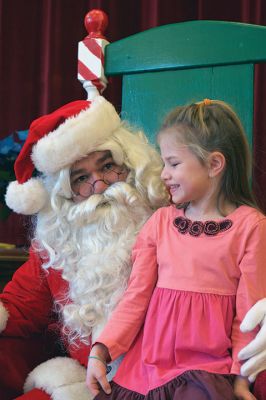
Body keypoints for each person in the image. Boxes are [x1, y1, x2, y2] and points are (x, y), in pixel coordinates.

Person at [86, 99, 266, 400]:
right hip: (145, 370)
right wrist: (101, 351)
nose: (164, 173)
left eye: (173, 163)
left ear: (214, 164)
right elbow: (136, 297)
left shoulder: (251, 227)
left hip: (205, 369)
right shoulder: (160, 223)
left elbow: (248, 314)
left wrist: (241, 379)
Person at [0, 95, 169, 400]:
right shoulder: (57, 246)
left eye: (108, 166)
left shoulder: (174, 223)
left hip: (164, 382)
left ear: (131, 164)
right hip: (87, 386)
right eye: (81, 178)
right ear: (65, 193)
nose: (101, 185)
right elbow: (17, 311)